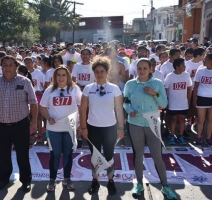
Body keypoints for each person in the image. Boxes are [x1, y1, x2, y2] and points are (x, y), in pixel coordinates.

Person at [123, 58, 177, 200]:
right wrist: (129, 110)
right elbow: (125, 101)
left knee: (157, 156)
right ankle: (139, 183)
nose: (141, 71)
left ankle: (165, 186)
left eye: (145, 68)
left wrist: (155, 93)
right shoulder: (130, 84)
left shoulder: (157, 84)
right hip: (135, 124)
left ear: (150, 69)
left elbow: (164, 104)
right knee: (138, 155)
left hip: (153, 124)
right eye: (139, 68)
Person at [0, 55, 38, 192]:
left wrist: (34, 123)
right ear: (1, 67)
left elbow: (33, 102)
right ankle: (3, 179)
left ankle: (25, 180)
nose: (8, 68)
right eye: (5, 65)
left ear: (16, 67)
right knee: (3, 155)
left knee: (22, 155)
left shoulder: (25, 81)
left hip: (20, 125)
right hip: (0, 125)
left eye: (10, 65)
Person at [80, 56, 124, 195]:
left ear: (107, 72)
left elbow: (119, 110)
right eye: (97, 71)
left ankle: (111, 181)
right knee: (95, 157)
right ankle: (95, 180)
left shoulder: (114, 88)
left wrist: (121, 128)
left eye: (102, 71)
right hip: (92, 128)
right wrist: (83, 128)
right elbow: (83, 109)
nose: (99, 74)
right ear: (93, 73)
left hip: (110, 128)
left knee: (109, 156)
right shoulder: (88, 88)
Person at [40, 66, 81, 192]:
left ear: (68, 77)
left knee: (68, 154)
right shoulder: (49, 90)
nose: (61, 77)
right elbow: (42, 107)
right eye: (59, 75)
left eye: (64, 75)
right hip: (54, 129)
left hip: (70, 128)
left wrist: (79, 126)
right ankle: (52, 180)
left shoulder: (75, 89)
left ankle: (67, 179)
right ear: (55, 77)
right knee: (55, 154)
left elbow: (81, 106)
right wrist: (48, 117)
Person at [164, 58, 192, 145]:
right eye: (183, 65)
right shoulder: (170, 76)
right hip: (173, 103)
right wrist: (166, 102)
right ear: (177, 66)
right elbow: (165, 89)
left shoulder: (186, 75)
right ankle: (172, 136)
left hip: (183, 103)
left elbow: (189, 88)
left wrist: (188, 99)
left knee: (182, 120)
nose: (185, 66)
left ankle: (180, 136)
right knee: (173, 119)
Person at [193, 53, 212, 145]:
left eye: (206, 59)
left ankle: (208, 137)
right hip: (201, 97)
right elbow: (196, 86)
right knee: (201, 119)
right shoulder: (200, 71)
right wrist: (194, 99)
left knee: (210, 120)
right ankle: (199, 136)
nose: (204, 61)